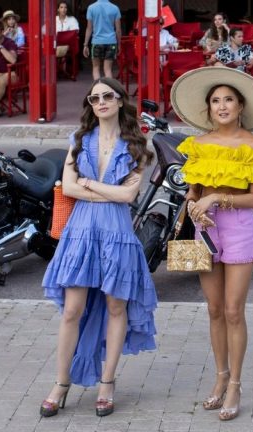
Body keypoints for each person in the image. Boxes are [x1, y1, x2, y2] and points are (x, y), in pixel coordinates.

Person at [40, 77, 157, 419]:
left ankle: (107, 383)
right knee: (72, 310)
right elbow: (69, 188)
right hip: (81, 232)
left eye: (108, 96)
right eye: (95, 98)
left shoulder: (137, 145)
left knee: (116, 307)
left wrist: (88, 184)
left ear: (120, 101)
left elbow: (129, 195)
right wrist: (106, 191)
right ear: (90, 106)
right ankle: (61, 383)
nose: (101, 102)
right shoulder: (79, 140)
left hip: (117, 233)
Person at [169, 67, 253, 422]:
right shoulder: (198, 145)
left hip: (239, 228)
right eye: (215, 100)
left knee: (234, 310)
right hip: (205, 229)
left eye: (228, 99)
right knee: (214, 309)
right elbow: (193, 192)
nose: (222, 106)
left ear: (240, 106)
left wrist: (217, 198)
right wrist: (194, 206)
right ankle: (219, 376)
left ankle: (235, 384)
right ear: (209, 108)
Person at [84, 0, 122, 80]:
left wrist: (85, 45)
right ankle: (108, 88)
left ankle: (98, 87)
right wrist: (119, 44)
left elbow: (89, 28)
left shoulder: (91, 8)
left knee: (96, 68)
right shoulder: (115, 8)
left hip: (96, 42)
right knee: (108, 69)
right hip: (111, 42)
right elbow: (118, 30)